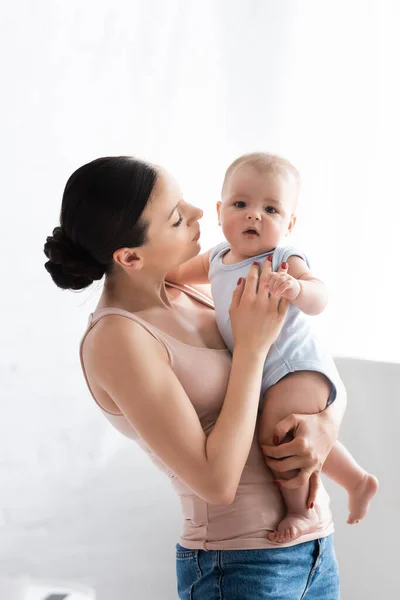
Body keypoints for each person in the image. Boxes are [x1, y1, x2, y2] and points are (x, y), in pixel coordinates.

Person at [44, 156, 347, 599]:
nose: (200, 214)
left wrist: (326, 423)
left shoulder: (195, 290)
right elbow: (215, 483)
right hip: (240, 567)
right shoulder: (117, 339)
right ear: (129, 256)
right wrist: (250, 349)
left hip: (315, 547)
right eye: (176, 217)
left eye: (185, 201)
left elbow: (304, 361)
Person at [167, 152, 379, 546]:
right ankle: (356, 479)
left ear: (290, 223)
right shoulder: (215, 258)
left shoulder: (282, 259)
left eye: (271, 208)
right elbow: (175, 274)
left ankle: (299, 510)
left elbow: (321, 296)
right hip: (268, 372)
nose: (254, 216)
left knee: (276, 432)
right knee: (298, 436)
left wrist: (297, 288)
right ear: (219, 210)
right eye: (241, 204)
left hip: (296, 366)